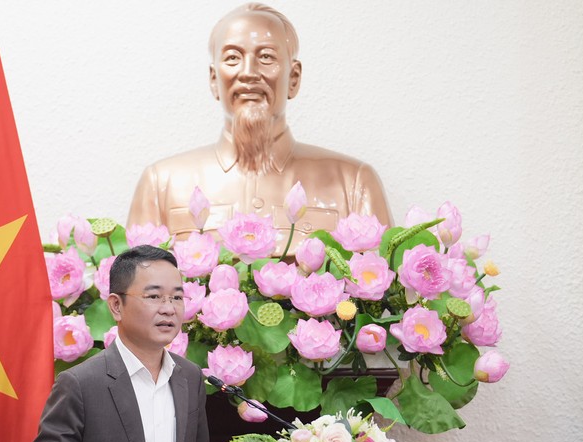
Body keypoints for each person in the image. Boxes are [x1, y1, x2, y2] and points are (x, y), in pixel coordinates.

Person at [27, 245, 242, 442]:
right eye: (154, 296)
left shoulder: (189, 376)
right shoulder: (81, 383)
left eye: (177, 297)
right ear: (116, 306)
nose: (168, 309)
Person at [128, 3, 394, 255]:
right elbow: (135, 283)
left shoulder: (353, 183)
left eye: (266, 57)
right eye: (232, 57)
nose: (248, 72)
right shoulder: (161, 184)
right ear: (214, 79)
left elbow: (382, 278)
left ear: (293, 78)